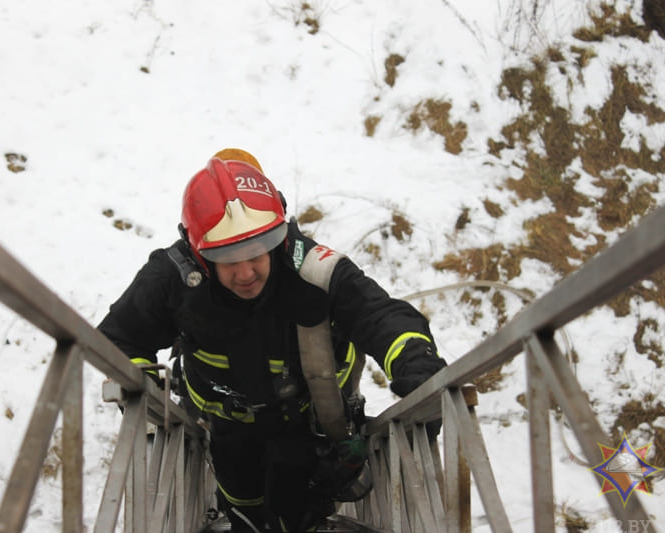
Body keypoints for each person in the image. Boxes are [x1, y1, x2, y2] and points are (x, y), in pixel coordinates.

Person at [97, 148, 447, 532]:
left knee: (302, 514)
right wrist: (143, 388)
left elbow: (379, 314)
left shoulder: (313, 268)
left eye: (256, 252)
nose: (245, 272)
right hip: (229, 431)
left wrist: (418, 365)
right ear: (198, 254)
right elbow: (117, 340)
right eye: (227, 258)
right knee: (245, 511)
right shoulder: (172, 280)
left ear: (278, 238)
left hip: (311, 426)